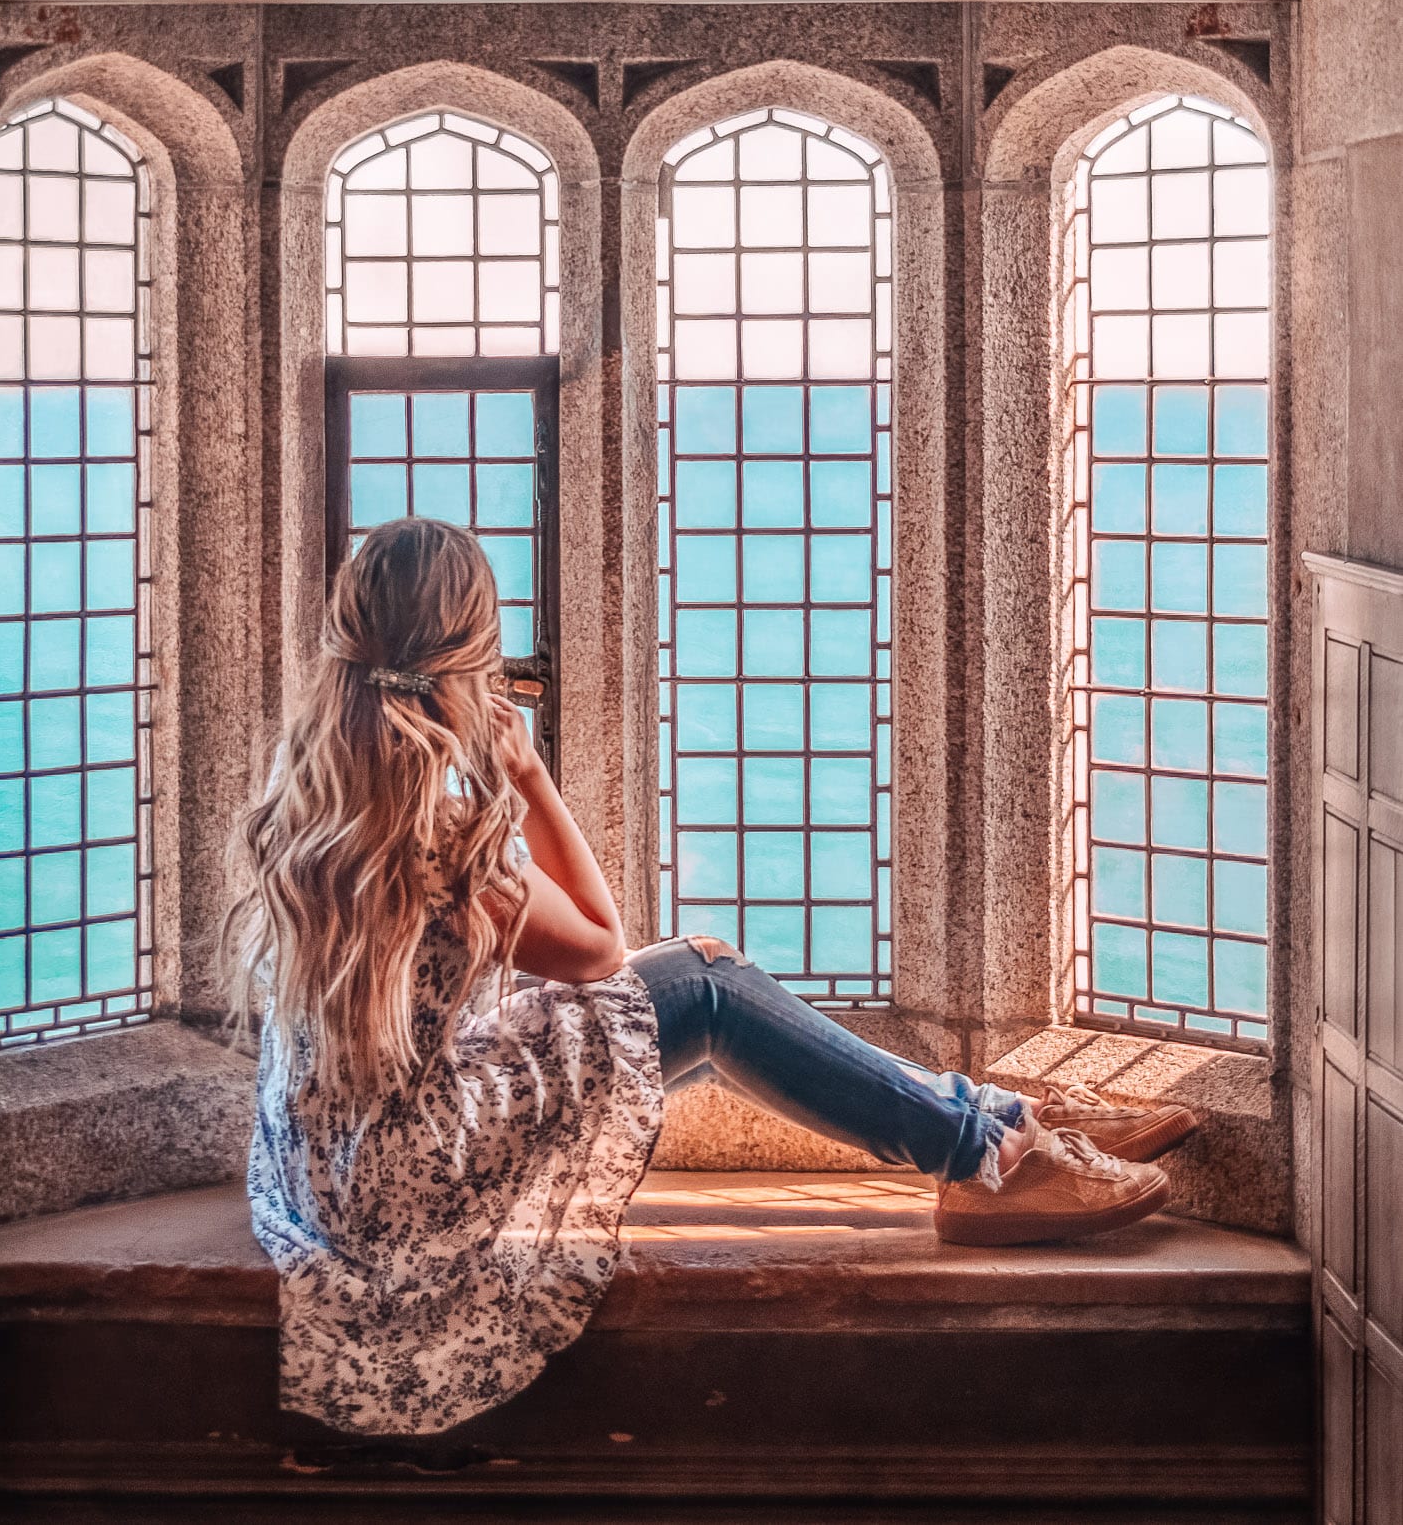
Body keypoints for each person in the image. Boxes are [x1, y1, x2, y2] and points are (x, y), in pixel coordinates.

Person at [222, 517, 1197, 1438]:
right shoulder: (444, 837)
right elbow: (602, 948)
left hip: (330, 1170)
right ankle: (988, 1157)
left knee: (698, 972)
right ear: (469, 657)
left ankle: (990, 1114)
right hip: (423, 1185)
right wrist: (528, 776)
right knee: (712, 984)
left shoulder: (308, 790)